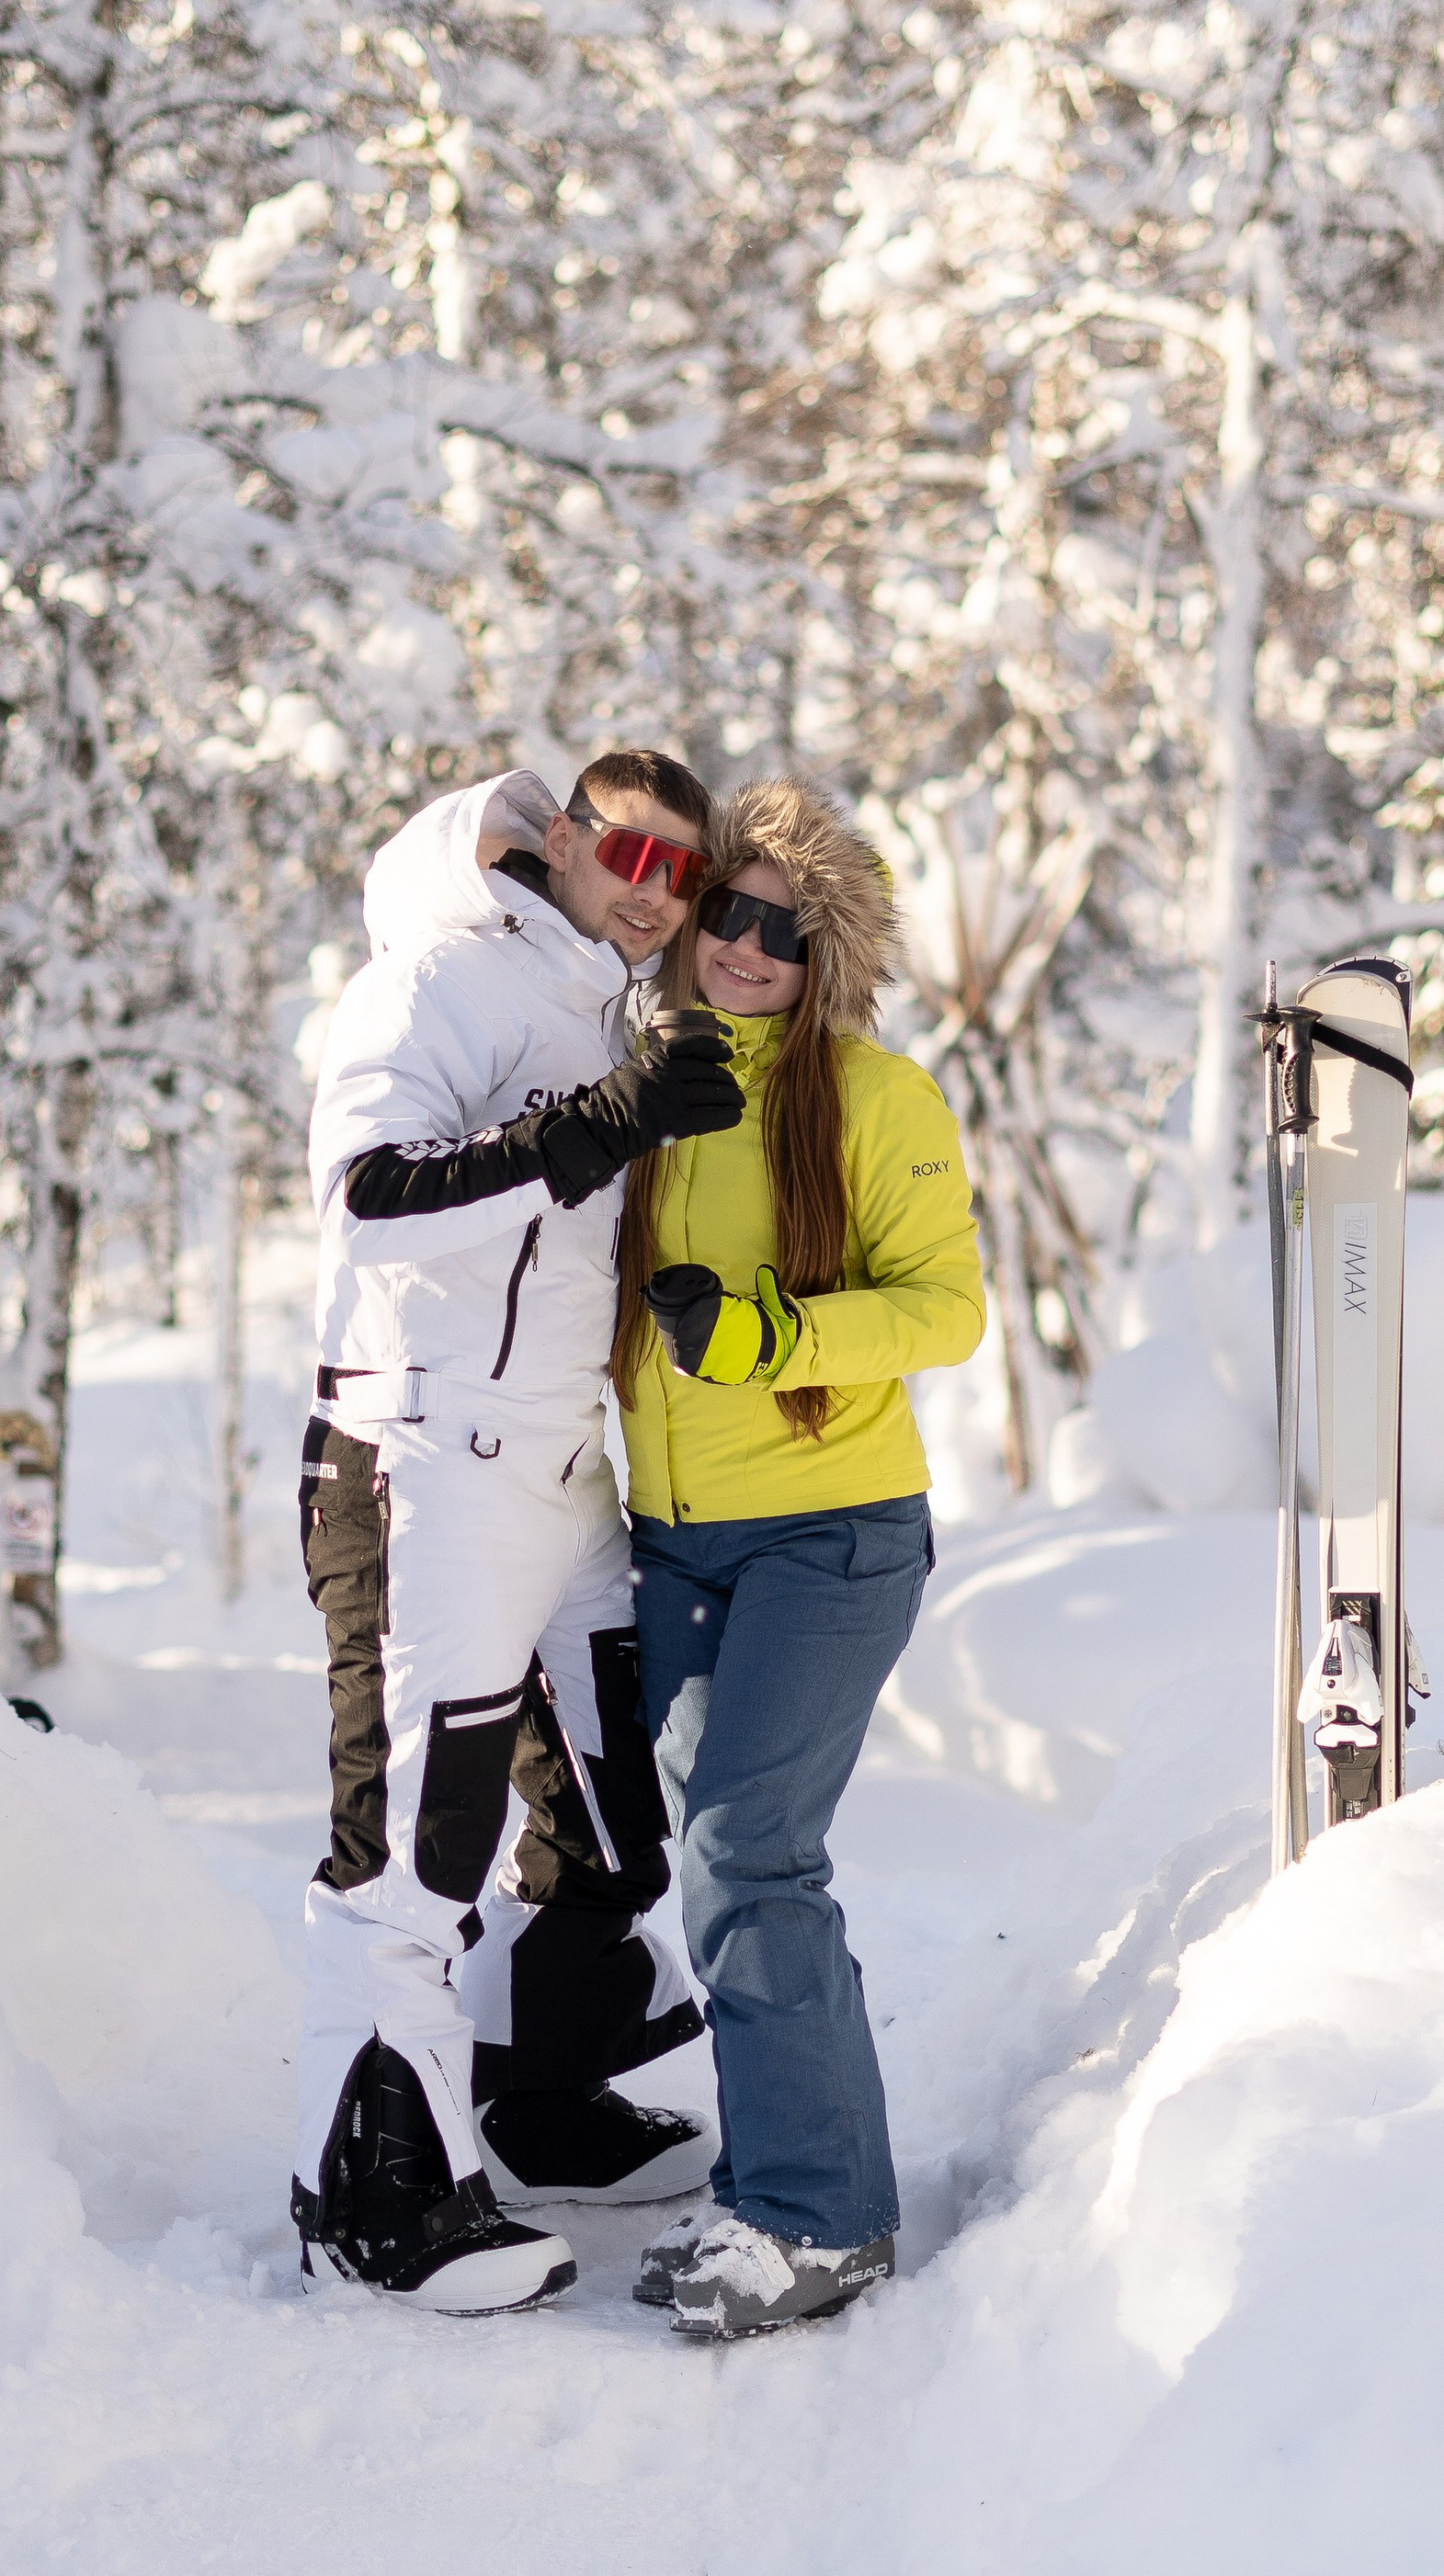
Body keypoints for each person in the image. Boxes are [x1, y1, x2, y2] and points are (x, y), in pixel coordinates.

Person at [293, 749, 746, 2312]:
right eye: (628, 851)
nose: (651, 890)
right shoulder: (436, 980)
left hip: (567, 1471)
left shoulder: (615, 1004)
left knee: (625, 1799)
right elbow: (362, 1196)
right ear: (559, 836)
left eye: (682, 874)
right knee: (422, 1837)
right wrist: (588, 1130)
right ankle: (367, 2197)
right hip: (422, 1454)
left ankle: (536, 2094)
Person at [614, 777, 985, 2341]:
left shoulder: (878, 1098)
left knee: (750, 1852)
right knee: (724, 1859)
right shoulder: (633, 1076)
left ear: (825, 953)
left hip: (834, 1531)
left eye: (787, 926)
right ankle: (782, 2178)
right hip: (671, 1537)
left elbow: (945, 1309)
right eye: (731, 912)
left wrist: (771, 1336)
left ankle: (819, 2219)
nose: (751, 945)